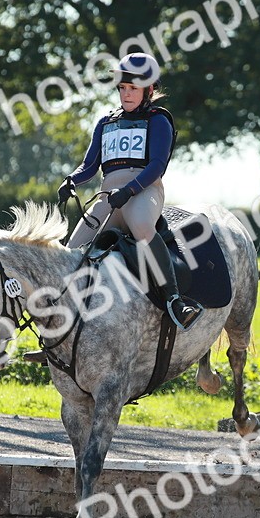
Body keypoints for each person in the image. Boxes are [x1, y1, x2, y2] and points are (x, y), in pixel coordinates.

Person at [58, 52, 203, 330]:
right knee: (73, 249)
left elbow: (157, 166)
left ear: (149, 90)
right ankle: (64, 329)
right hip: (108, 197)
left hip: (144, 191)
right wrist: (72, 180)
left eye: (133, 88)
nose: (126, 94)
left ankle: (174, 299)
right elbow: (89, 165)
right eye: (122, 88)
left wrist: (129, 190)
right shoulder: (105, 123)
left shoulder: (159, 120)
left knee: (140, 225)